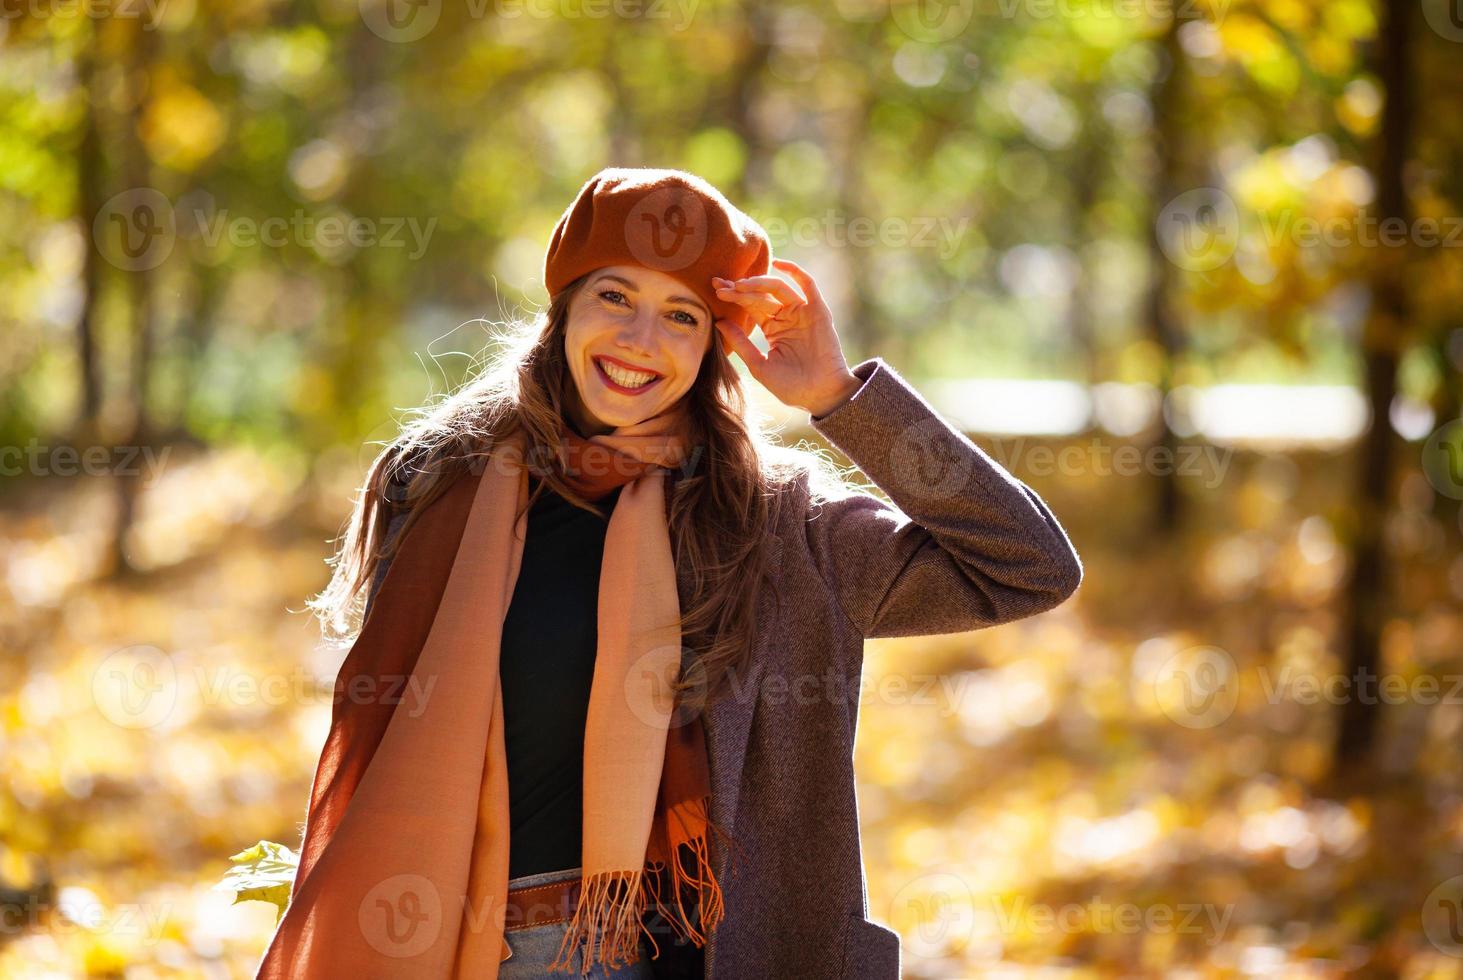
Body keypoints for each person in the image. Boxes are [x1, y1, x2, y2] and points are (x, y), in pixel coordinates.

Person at [256, 167, 1084, 980]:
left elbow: (1028, 565)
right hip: (440, 939)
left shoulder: (774, 520)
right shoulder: (442, 477)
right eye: (614, 296)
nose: (639, 342)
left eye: (681, 315)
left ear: (714, 345)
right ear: (565, 308)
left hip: (672, 953)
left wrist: (838, 395)